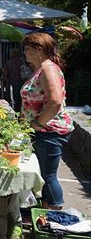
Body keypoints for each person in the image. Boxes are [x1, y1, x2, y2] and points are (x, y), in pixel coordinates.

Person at [20, 32, 74, 210]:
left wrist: (38, 123)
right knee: (43, 175)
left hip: (49, 131)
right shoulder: (41, 69)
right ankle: (45, 214)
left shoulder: (48, 69)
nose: (25, 52)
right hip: (44, 131)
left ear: (40, 50)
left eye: (28, 49)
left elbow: (55, 101)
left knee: (48, 176)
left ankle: (55, 213)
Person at [3, 48, 24, 112]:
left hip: (12, 83)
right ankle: (19, 112)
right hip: (22, 83)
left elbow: (5, 74)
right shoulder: (23, 62)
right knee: (20, 100)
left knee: (12, 100)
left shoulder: (9, 62)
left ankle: (13, 112)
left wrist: (4, 80)